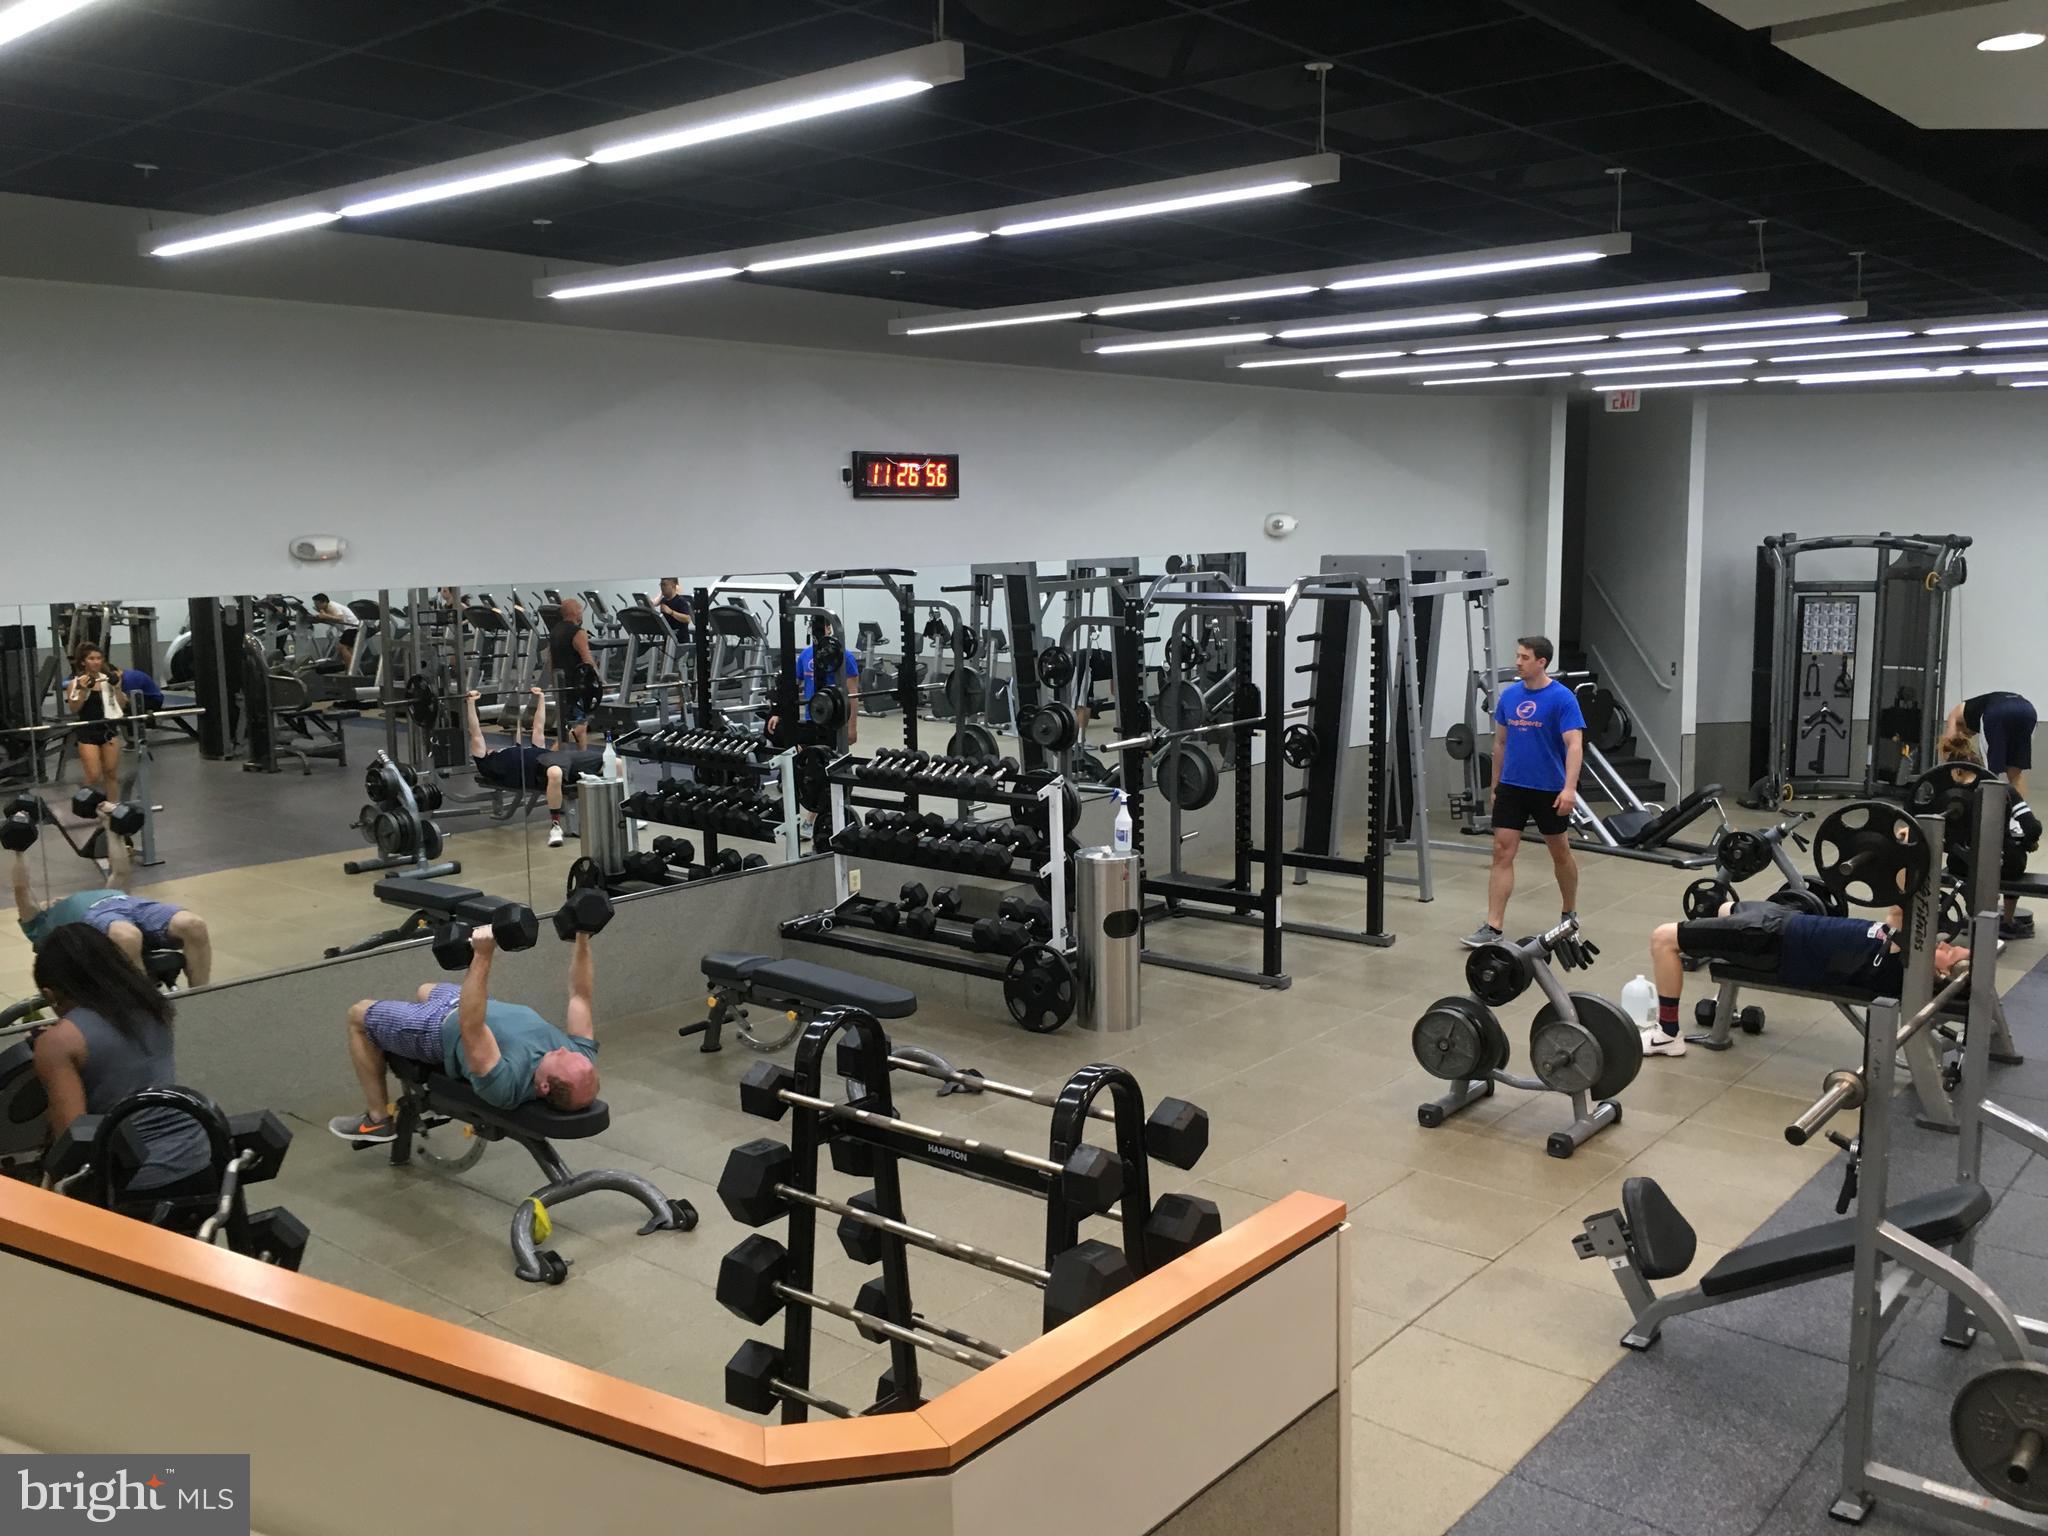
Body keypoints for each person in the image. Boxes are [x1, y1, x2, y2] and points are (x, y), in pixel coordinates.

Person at [330, 922, 600, 1143]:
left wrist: (482, 956)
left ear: (543, 1085)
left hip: (439, 1027)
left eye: (561, 1055)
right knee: (425, 989)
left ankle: (378, 1119)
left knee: (358, 1014)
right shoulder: (581, 1059)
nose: (565, 1048)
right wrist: (582, 935)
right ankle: (392, 1041)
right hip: (478, 1004)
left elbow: (471, 1025)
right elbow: (580, 996)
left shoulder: (507, 1083)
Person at [1639, 897, 1969, 1058]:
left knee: (1662, 938)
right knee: (1725, 907)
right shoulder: (1904, 945)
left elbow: (1903, 891)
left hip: (1772, 941)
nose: (1944, 943)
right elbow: (1901, 903)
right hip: (1786, 920)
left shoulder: (1906, 963)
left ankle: (1667, 1035)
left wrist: (1904, 847)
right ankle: (1723, 997)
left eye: (1949, 952)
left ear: (1939, 973)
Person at [30, 924, 214, 1197]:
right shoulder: (154, 1007)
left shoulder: (58, 1042)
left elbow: (73, 1142)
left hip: (136, 1184)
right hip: (201, 1162)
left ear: (50, 995)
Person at [1464, 636, 1585, 950]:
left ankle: (1569, 914)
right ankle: (1493, 926)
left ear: (1542, 661)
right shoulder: (1510, 696)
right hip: (1513, 787)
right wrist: (1495, 784)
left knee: (1559, 852)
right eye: (1517, 656)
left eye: (1524, 657)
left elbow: (1575, 745)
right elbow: (1500, 744)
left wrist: (1569, 788)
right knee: (1502, 852)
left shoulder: (1562, 699)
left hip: (1549, 789)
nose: (1518, 662)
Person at [12, 801, 213, 986]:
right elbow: (21, 888)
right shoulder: (38, 925)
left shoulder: (106, 892)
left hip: (126, 904)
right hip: (93, 926)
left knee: (193, 925)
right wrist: (19, 849)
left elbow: (121, 871)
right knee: (127, 936)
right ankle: (149, 1011)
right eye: (48, 902)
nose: (53, 900)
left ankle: (200, 1001)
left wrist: (110, 826)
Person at [468, 687, 570, 849]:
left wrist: (541, 698)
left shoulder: (521, 748)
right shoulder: (486, 761)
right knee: (557, 771)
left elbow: (538, 726)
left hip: (554, 762)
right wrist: (471, 703)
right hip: (543, 771)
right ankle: (556, 826)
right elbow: (475, 731)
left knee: (612, 764)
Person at [766, 623, 860, 747]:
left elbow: (853, 694)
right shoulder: (805, 655)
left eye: (822, 627)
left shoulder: (845, 656)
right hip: (812, 716)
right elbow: (791, 686)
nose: (817, 630)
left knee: (827, 756)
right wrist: (779, 713)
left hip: (834, 719)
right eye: (813, 626)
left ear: (829, 628)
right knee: (775, 732)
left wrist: (851, 728)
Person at [1945, 692, 2035, 805]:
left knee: (1989, 773)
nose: (1970, 736)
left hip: (1997, 713)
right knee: (2015, 772)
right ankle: (2020, 815)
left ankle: (1989, 812)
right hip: (2028, 711)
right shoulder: (1977, 706)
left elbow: (1948, 741)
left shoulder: (1955, 714)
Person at [66, 643, 127, 805]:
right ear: (83, 662)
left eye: (99, 658)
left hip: (108, 731)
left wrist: (118, 687)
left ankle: (113, 809)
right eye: (91, 658)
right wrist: (83, 690)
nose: (96, 662)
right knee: (93, 775)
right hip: (88, 733)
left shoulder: (109, 681)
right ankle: (83, 806)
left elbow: (121, 706)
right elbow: (74, 708)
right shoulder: (76, 683)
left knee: (111, 773)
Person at [548, 595, 600, 750]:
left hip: (561, 684)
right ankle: (550, 752)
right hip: (576, 686)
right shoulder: (578, 632)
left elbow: (550, 659)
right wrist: (600, 681)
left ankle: (583, 760)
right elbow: (587, 660)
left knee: (578, 725)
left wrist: (553, 681)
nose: (581, 613)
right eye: (580, 609)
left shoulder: (554, 631)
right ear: (575, 613)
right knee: (580, 727)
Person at [309, 593, 358, 668]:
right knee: (348, 649)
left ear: (324, 602)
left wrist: (325, 616)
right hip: (348, 628)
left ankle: (352, 668)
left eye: (317, 603)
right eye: (315, 603)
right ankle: (351, 669)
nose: (316, 605)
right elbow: (329, 617)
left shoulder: (332, 606)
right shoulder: (325, 608)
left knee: (342, 647)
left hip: (352, 627)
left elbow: (340, 618)